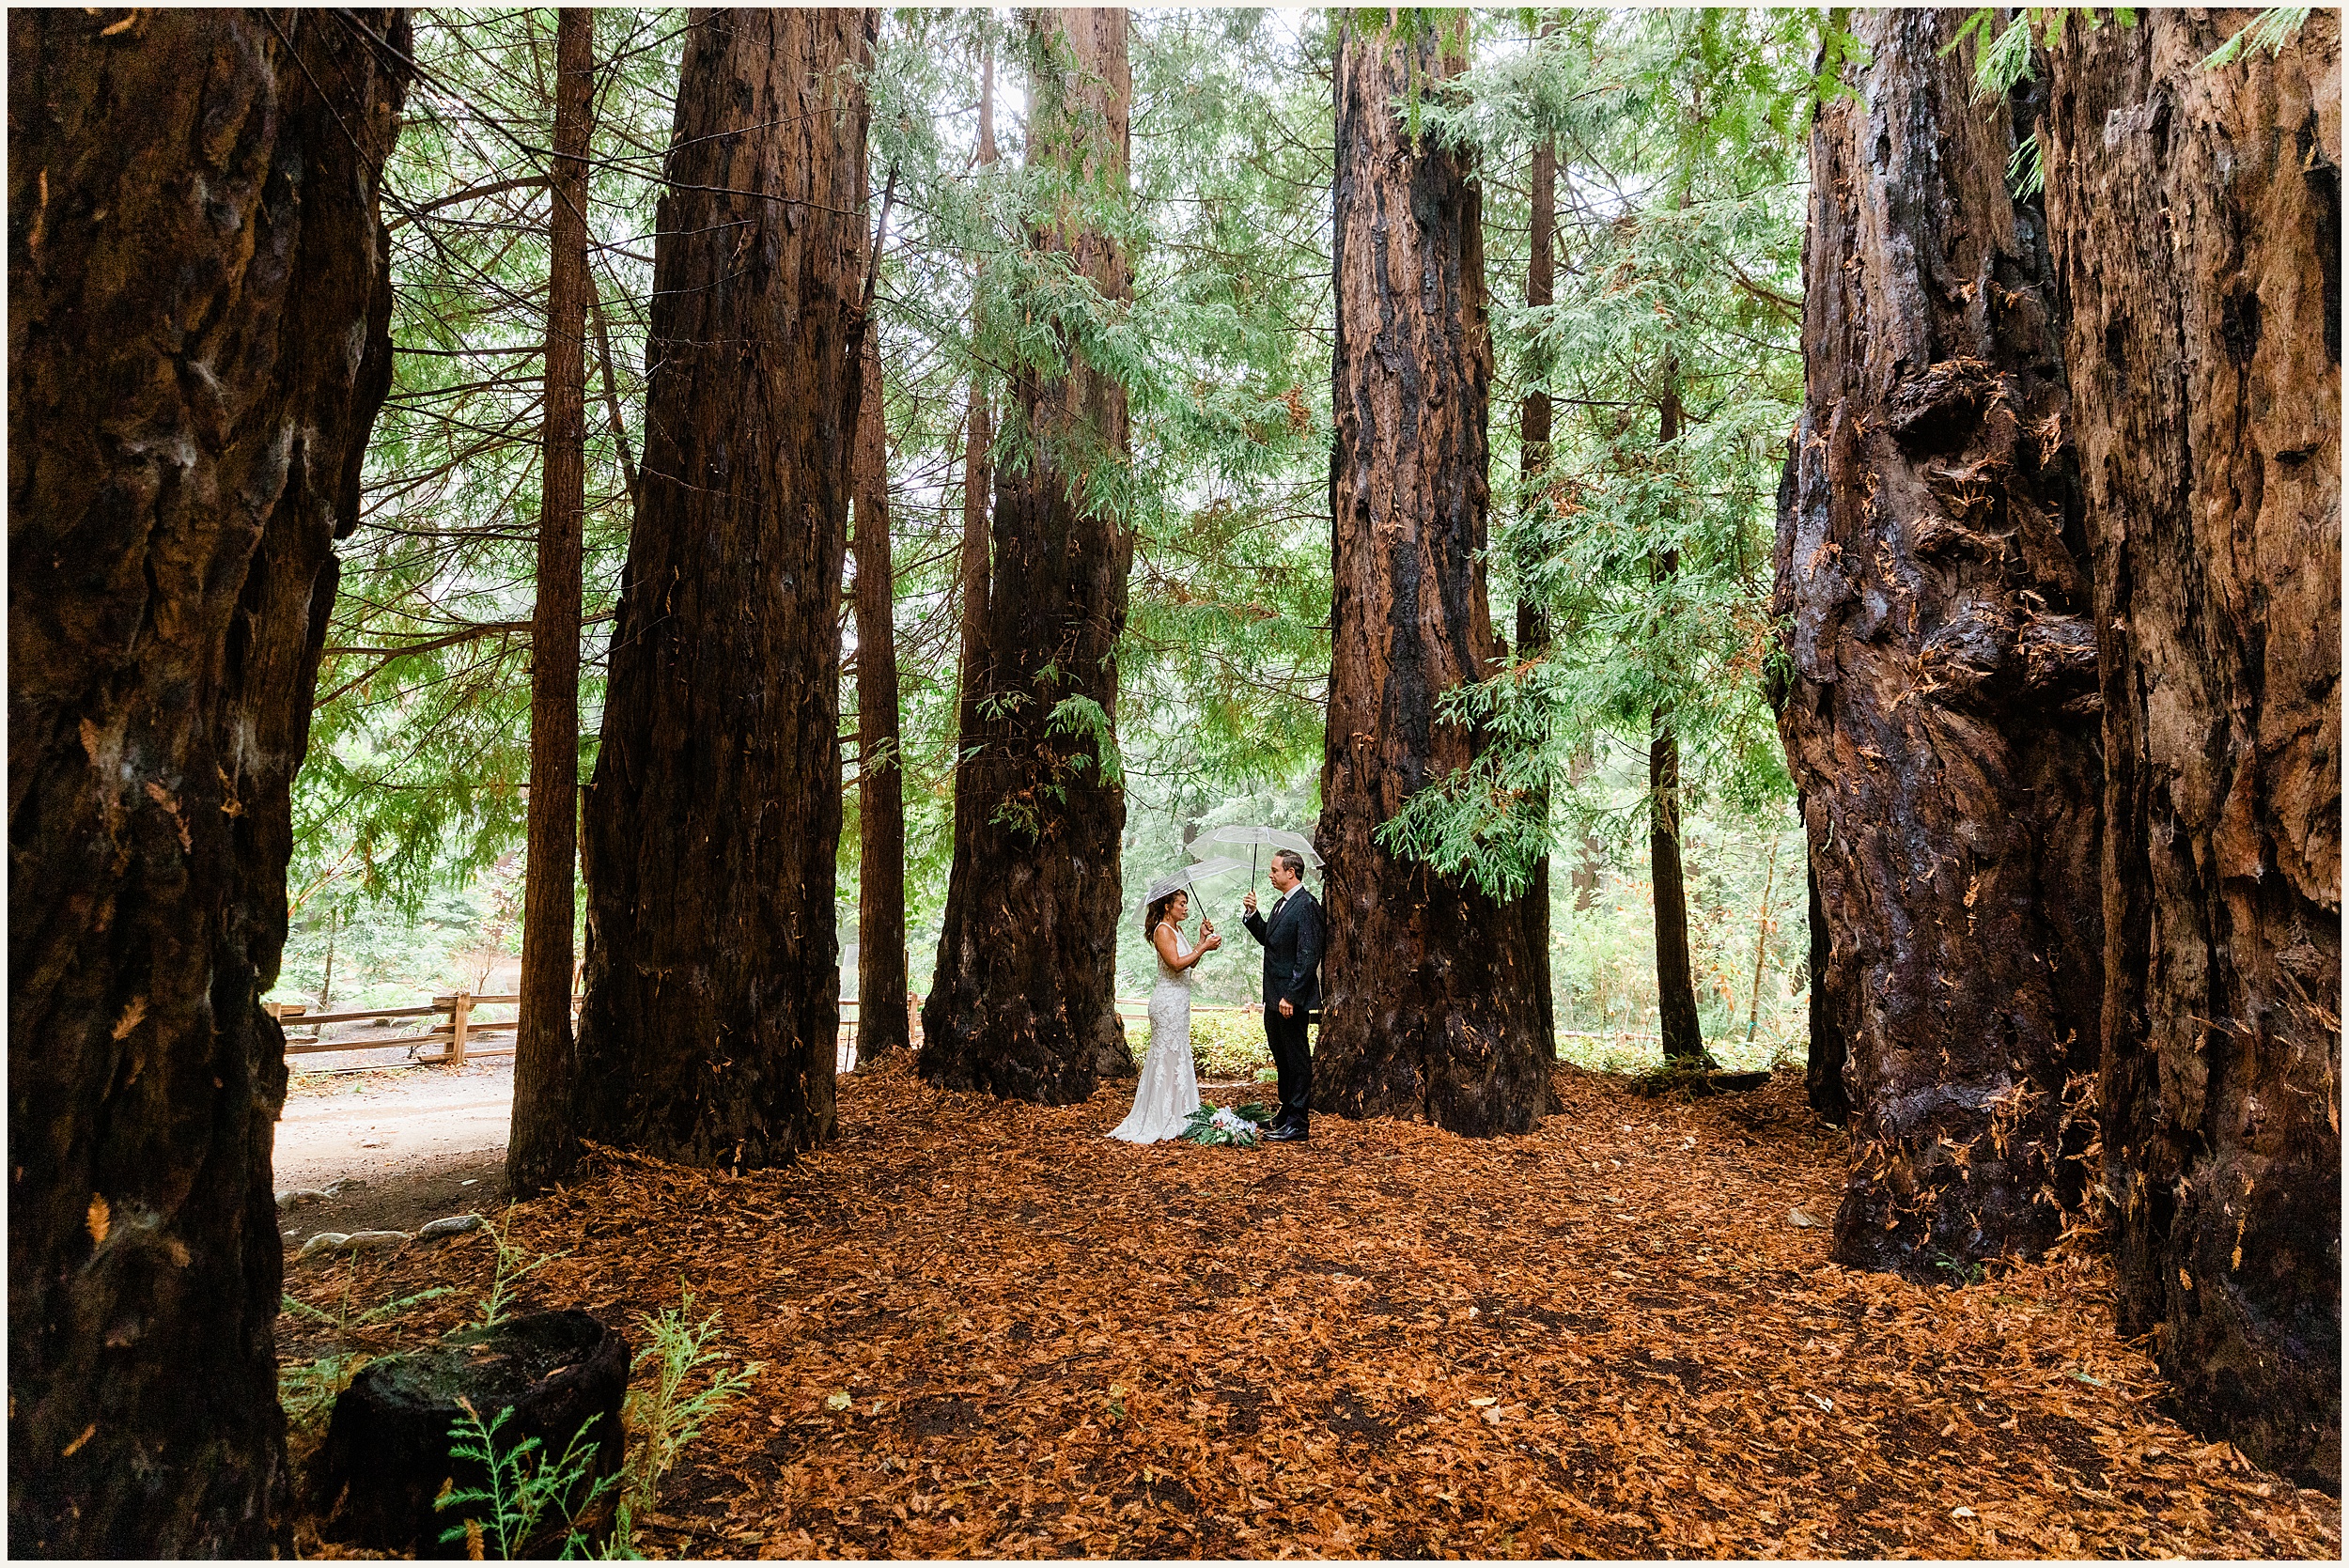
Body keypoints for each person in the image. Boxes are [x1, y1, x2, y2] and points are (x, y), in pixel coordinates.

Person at [1108, 887, 1220, 1143]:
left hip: (1179, 1002)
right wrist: (1203, 948)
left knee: (1177, 1053)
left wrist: (1202, 941)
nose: (1186, 908)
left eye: (1186, 904)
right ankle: (1161, 1114)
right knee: (1165, 1056)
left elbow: (1189, 963)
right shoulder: (1162, 930)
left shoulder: (1177, 930)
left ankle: (1180, 1112)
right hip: (1167, 1003)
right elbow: (1176, 964)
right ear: (1168, 906)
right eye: (1181, 903)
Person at [1241, 848, 1323, 1141]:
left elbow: (1308, 955)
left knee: (1297, 1058)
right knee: (1281, 1055)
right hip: (1274, 998)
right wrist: (1252, 914)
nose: (1271, 874)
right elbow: (1269, 939)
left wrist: (1292, 995)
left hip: (1290, 999)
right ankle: (1286, 1111)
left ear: (1292, 872)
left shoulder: (1306, 905)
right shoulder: (1280, 904)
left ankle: (1299, 1123)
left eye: (1275, 870)